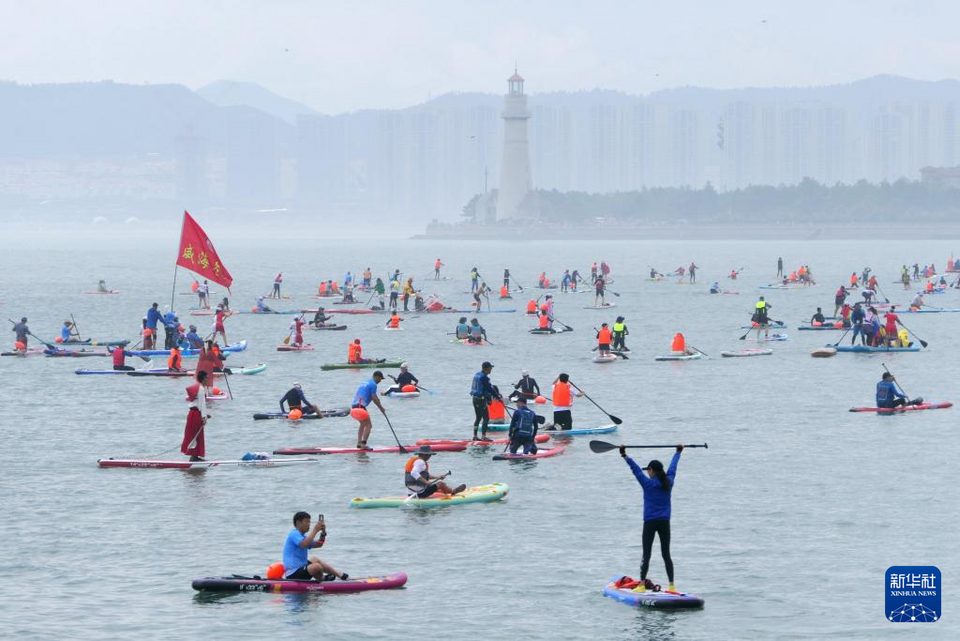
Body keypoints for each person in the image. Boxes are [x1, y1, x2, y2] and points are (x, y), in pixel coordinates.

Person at [619, 444, 684, 592]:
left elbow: (635, 470)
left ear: (651, 471)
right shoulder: (669, 482)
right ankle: (672, 586)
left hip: (649, 522)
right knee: (666, 554)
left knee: (646, 554)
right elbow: (673, 468)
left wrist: (624, 455)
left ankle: (641, 585)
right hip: (664, 522)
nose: (647, 472)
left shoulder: (647, 483)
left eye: (648, 470)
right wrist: (678, 452)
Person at [282, 512, 348, 582]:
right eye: (306, 521)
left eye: (309, 522)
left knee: (315, 559)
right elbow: (304, 544)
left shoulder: (303, 537)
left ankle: (340, 575)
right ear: (298, 523)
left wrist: (323, 533)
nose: (309, 524)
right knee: (317, 566)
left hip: (301, 568)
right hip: (293, 573)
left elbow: (319, 544)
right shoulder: (294, 534)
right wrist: (315, 530)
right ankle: (322, 579)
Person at [351, 371, 386, 449]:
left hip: (354, 405)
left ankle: (359, 443)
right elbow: (373, 398)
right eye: (380, 379)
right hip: (360, 406)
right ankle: (363, 445)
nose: (380, 381)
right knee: (369, 425)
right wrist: (381, 408)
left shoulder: (366, 382)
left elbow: (374, 395)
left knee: (363, 424)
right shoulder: (373, 384)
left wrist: (378, 401)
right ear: (376, 376)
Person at [181, 370, 210, 461]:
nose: (208, 379)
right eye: (207, 378)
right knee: (198, 435)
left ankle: (194, 456)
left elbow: (196, 403)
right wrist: (204, 417)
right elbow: (202, 404)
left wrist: (205, 415)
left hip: (192, 414)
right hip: (197, 414)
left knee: (193, 435)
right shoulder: (201, 389)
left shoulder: (197, 387)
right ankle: (194, 457)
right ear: (203, 379)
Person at [470, 361, 501, 441]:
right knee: (486, 418)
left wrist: (489, 399)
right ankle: (484, 436)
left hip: (475, 399)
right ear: (486, 368)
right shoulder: (484, 377)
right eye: (490, 368)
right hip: (481, 400)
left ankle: (475, 435)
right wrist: (498, 397)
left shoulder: (477, 375)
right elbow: (489, 389)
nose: (491, 369)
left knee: (478, 418)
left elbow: (484, 389)